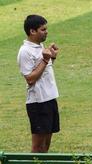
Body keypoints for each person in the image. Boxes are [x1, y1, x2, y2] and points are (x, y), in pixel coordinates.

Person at [17, 14, 60, 154]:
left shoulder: (40, 46)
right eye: (43, 29)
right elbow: (30, 78)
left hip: (50, 99)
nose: (46, 31)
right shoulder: (24, 52)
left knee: (46, 144)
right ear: (32, 31)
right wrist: (45, 60)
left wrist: (51, 58)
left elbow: (43, 71)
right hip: (38, 102)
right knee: (37, 147)